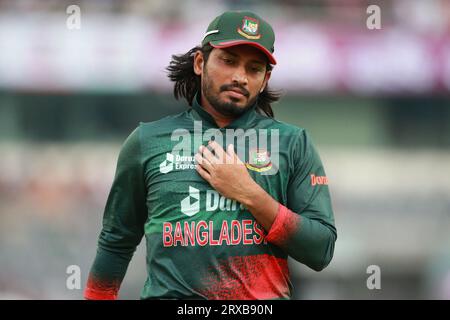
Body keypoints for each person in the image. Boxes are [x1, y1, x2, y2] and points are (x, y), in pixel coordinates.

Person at [84, 10, 337, 300]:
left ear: (265, 79)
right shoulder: (147, 141)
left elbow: (321, 250)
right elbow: (117, 242)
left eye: (254, 69)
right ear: (200, 62)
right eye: (228, 61)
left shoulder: (293, 144)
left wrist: (250, 194)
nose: (240, 77)